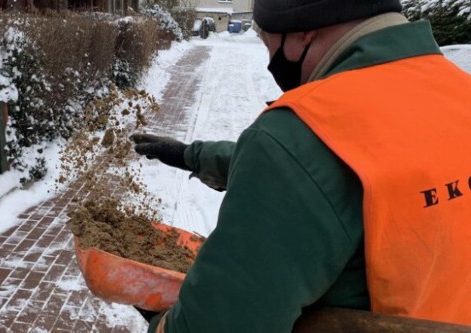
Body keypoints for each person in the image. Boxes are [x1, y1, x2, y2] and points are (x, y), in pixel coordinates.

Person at [130, 0, 471, 332]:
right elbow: (344, 174)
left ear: (301, 34)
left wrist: (167, 322)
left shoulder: (303, 134)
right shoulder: (458, 93)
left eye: (268, 44)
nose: (270, 63)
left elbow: (219, 323)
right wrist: (194, 155)